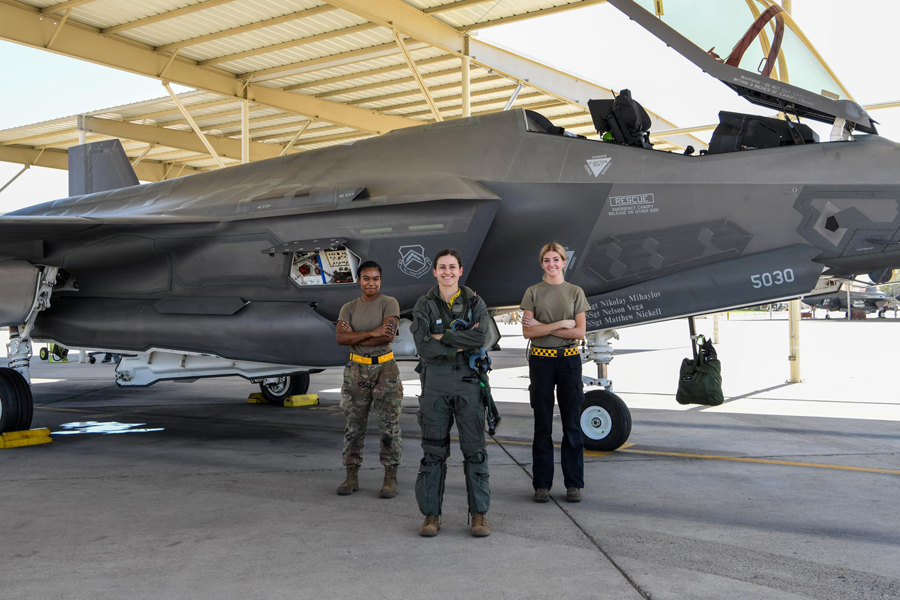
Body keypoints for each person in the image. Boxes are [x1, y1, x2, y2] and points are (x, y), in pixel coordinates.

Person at [410, 249, 492, 537]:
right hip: (435, 385)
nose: (447, 272)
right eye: (442, 267)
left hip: (468, 384)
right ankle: (431, 516)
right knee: (433, 453)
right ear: (434, 271)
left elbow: (482, 337)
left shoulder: (474, 302)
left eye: (452, 267)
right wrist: (460, 343)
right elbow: (422, 346)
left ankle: (479, 515)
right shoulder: (424, 304)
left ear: (460, 271)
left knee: (475, 452)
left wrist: (443, 336)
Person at [521, 242, 590, 504]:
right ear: (542, 264)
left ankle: (573, 484)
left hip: (569, 362)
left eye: (556, 260)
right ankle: (542, 485)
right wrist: (561, 323)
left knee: (572, 425)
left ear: (564, 262)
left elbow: (579, 332)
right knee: (543, 425)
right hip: (541, 362)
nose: (551, 264)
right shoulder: (533, 293)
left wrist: (544, 325)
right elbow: (528, 332)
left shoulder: (575, 292)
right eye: (547, 260)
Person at [335, 260, 403, 499]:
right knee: (354, 427)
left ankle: (390, 478)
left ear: (380, 281)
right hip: (356, 371)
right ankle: (351, 476)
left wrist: (357, 336)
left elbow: (387, 337)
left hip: (385, 369)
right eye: (366, 278)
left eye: (375, 278)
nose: (370, 283)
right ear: (359, 280)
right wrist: (372, 332)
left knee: (389, 427)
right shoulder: (349, 307)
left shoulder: (389, 303)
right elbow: (340, 338)